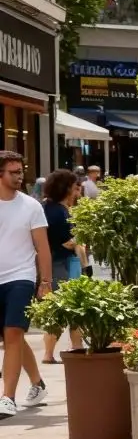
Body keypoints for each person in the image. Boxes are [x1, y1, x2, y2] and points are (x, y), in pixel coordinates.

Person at [0, 151, 51, 417]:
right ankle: (38, 383)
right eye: (13, 172)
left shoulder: (31, 206)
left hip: (20, 276)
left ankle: (7, 397)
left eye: (21, 171)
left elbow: (42, 246)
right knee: (13, 338)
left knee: (13, 333)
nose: (19, 176)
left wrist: (45, 281)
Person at [40, 170, 85, 364]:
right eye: (75, 187)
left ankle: (73, 348)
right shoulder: (59, 211)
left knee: (62, 307)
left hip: (54, 262)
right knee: (69, 306)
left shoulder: (46, 206)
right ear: (66, 188)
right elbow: (68, 241)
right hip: (63, 263)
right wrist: (80, 240)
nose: (76, 191)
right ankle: (61, 351)